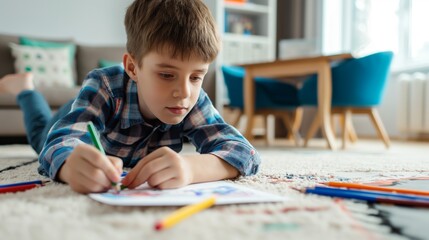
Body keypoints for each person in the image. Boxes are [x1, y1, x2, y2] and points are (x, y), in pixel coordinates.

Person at [0, 0, 260, 194]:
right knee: (39, 136)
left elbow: (244, 152)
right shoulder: (104, 84)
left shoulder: (192, 99)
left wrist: (192, 168)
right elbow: (59, 142)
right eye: (167, 75)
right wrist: (69, 165)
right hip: (77, 111)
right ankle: (26, 90)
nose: (184, 92)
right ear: (133, 67)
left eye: (196, 76)